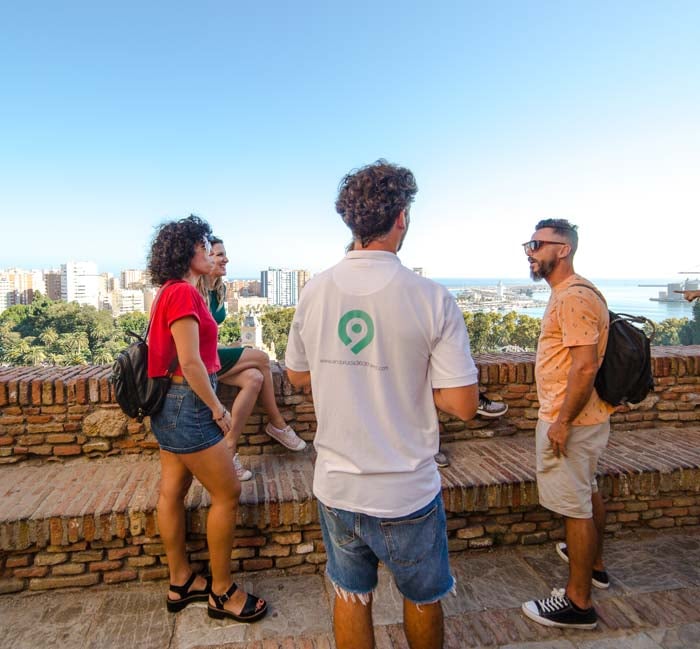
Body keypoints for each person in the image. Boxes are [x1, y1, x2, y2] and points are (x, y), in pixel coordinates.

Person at [285, 160, 479, 649]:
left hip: (337, 485)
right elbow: (464, 403)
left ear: (351, 222)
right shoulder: (432, 298)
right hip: (407, 490)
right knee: (422, 598)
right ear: (401, 218)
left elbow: (297, 376)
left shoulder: (313, 292)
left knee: (351, 595)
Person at [147, 215, 267, 623]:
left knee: (172, 493)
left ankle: (181, 582)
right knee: (228, 493)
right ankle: (222, 592)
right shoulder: (182, 294)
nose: (208, 250)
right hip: (189, 404)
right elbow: (191, 363)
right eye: (202, 245)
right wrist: (218, 410)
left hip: (171, 406)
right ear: (187, 253)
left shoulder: (169, 291)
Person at [520, 219, 613, 630]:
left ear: (564, 250)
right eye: (529, 243)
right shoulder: (577, 291)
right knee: (587, 492)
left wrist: (561, 422)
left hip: (571, 422)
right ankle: (594, 567)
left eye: (538, 244)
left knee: (574, 509)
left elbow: (585, 365)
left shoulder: (572, 297)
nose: (530, 250)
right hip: (588, 418)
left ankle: (578, 604)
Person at [199, 236, 306, 482]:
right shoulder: (196, 288)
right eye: (218, 254)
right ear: (205, 257)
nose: (226, 258)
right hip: (199, 361)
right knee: (261, 357)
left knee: (255, 378)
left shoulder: (220, 289)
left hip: (211, 355)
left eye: (225, 253)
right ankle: (277, 423)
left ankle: (230, 448)